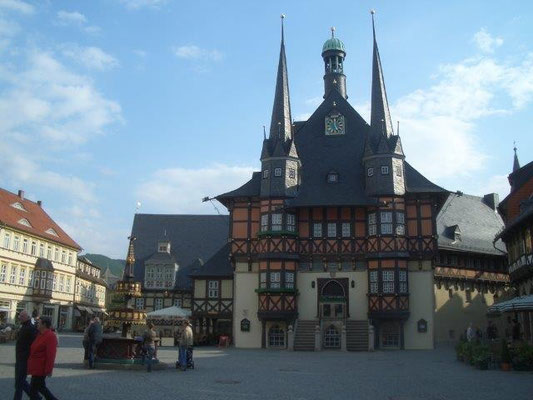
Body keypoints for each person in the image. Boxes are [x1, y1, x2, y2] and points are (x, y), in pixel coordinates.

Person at [28, 316, 58, 400]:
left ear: (44, 324)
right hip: (36, 368)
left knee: (33, 390)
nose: (37, 324)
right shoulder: (39, 334)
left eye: (39, 323)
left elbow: (51, 355)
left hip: (41, 369)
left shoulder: (50, 336)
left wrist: (48, 370)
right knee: (40, 388)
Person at [14, 310, 40, 400]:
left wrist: (29, 354)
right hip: (20, 357)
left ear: (27, 317)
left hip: (25, 358)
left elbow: (35, 343)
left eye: (21, 316)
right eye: (19, 316)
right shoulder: (24, 326)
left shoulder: (30, 328)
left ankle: (34, 397)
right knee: (19, 381)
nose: (19, 317)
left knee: (19, 381)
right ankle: (35, 397)